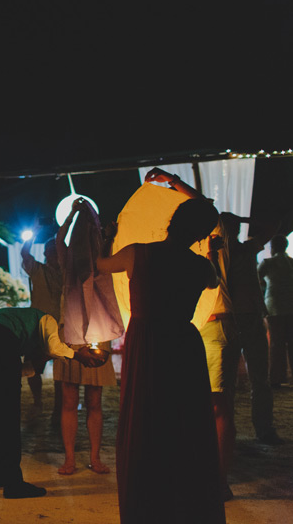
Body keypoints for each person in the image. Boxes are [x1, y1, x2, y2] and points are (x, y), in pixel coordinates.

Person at [97, 188, 226, 523]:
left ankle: (148, 500)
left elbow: (99, 265)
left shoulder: (137, 254)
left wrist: (105, 237)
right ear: (200, 233)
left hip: (148, 341)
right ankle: (184, 498)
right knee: (184, 421)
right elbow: (214, 279)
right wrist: (212, 250)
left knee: (147, 416)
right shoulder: (202, 267)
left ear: (172, 220)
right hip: (183, 343)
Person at [146, 168, 237, 500]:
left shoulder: (214, 234)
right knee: (189, 404)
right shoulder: (174, 250)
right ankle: (198, 471)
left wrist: (172, 181)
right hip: (187, 325)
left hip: (214, 320)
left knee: (216, 403)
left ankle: (219, 478)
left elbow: (205, 207)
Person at [0, 307, 102, 499]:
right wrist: (79, 356)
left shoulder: (21, 330)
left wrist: (48, 356)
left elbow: (24, 369)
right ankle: (13, 484)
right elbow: (54, 347)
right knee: (9, 413)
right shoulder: (47, 318)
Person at [53, 199, 119, 477]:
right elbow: (59, 239)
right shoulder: (67, 260)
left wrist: (103, 229)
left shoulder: (102, 258)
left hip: (98, 333)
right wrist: (71, 216)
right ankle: (70, 458)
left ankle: (94, 457)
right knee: (68, 401)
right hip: (71, 334)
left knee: (94, 401)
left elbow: (108, 246)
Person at [220, 211, 284, 445]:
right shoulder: (247, 249)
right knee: (259, 378)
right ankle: (263, 429)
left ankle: (226, 431)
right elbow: (274, 222)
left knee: (226, 382)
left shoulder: (216, 252)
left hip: (226, 318)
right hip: (248, 316)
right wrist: (244, 220)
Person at [20, 233, 62, 417]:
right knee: (32, 368)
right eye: (51, 252)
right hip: (39, 327)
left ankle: (57, 408)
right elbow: (25, 254)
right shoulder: (38, 270)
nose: (54, 255)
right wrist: (34, 231)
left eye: (57, 252)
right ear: (45, 253)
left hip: (61, 328)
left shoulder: (67, 275)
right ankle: (38, 401)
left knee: (61, 373)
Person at [259, 234, 293, 387]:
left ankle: (276, 378)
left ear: (272, 248)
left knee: (276, 344)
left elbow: (255, 282)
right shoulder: (291, 263)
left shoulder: (268, 263)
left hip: (274, 307)